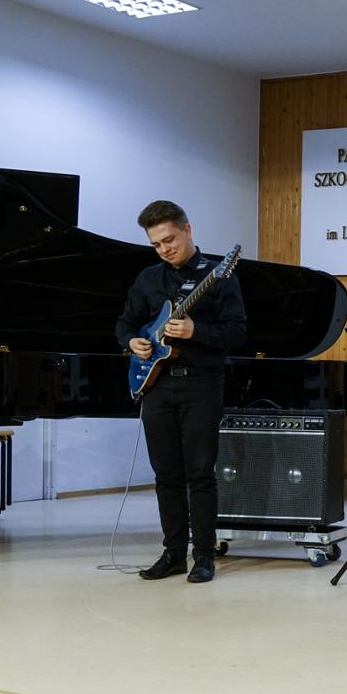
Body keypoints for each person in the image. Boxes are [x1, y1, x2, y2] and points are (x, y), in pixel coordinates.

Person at [115, 201, 247, 584]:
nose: (164, 249)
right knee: (165, 475)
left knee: (200, 474)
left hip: (201, 385)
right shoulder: (148, 278)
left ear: (188, 230)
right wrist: (132, 342)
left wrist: (196, 332)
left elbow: (237, 332)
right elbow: (126, 322)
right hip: (157, 386)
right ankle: (172, 553)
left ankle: (203, 555)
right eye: (156, 244)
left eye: (169, 239)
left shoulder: (220, 276)